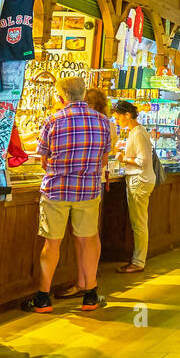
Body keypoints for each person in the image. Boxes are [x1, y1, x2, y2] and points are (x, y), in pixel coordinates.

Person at [23, 76, 113, 313]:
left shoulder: (53, 120)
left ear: (61, 97)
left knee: (51, 244)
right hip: (88, 190)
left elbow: (43, 159)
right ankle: (91, 295)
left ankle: (43, 298)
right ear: (84, 95)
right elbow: (104, 159)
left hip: (56, 190)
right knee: (87, 240)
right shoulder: (103, 122)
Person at [112, 99, 157, 273]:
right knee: (139, 222)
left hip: (139, 180)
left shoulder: (138, 133)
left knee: (138, 223)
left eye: (118, 118)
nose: (116, 122)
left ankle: (138, 261)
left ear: (127, 115)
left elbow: (141, 160)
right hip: (140, 179)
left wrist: (123, 159)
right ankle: (138, 259)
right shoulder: (135, 132)